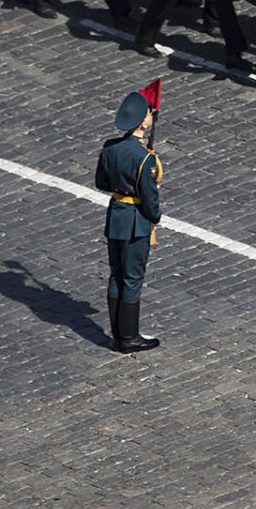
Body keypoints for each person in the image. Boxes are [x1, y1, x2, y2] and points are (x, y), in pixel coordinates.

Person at [95, 89, 162, 354]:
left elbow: (101, 182)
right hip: (136, 221)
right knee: (133, 278)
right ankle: (130, 338)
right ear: (142, 122)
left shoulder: (110, 147)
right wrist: (154, 217)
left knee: (116, 275)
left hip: (116, 217)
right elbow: (150, 199)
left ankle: (117, 335)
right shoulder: (144, 158)